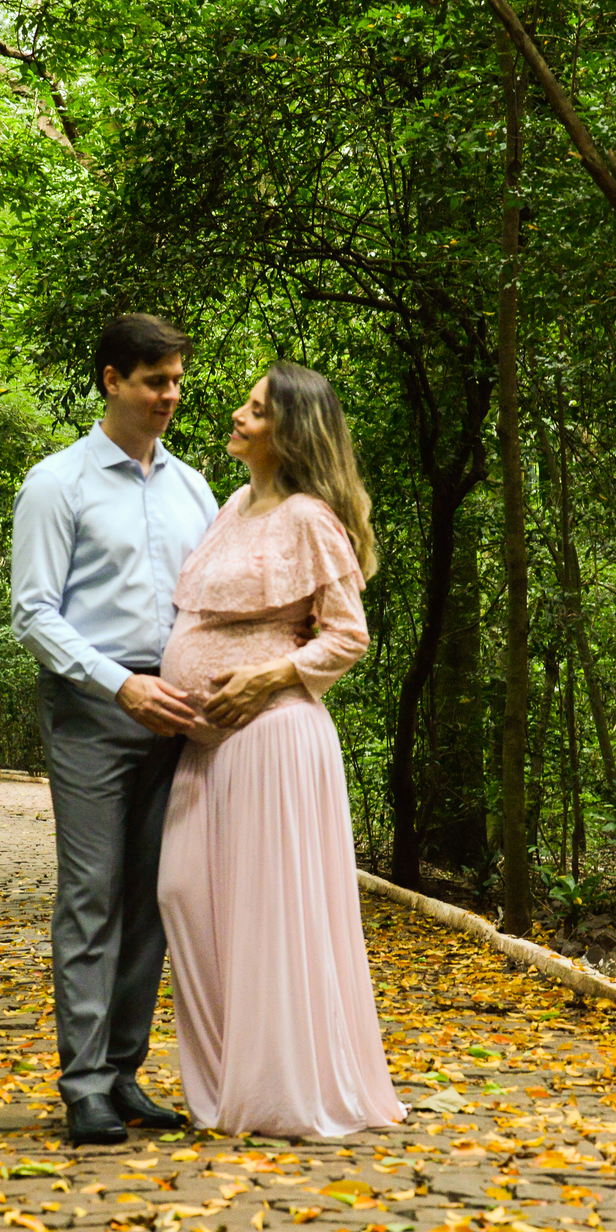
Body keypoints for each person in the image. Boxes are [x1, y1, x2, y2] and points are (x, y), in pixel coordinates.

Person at [157, 362, 404, 1139]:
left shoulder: (309, 518)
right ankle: (226, 1083)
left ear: (289, 432)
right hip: (206, 745)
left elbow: (348, 636)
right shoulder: (233, 505)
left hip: (272, 737)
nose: (238, 414)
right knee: (183, 894)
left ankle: (277, 1093)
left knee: (266, 917)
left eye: (256, 410)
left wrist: (267, 677)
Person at [11, 314, 217, 1146]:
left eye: (175, 382)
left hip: (181, 709)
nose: (169, 397)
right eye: (153, 382)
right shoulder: (57, 483)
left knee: (155, 896)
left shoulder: (194, 487)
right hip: (94, 705)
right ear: (110, 380)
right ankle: (84, 1085)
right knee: (93, 895)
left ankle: (125, 1073)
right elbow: (33, 614)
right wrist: (118, 684)